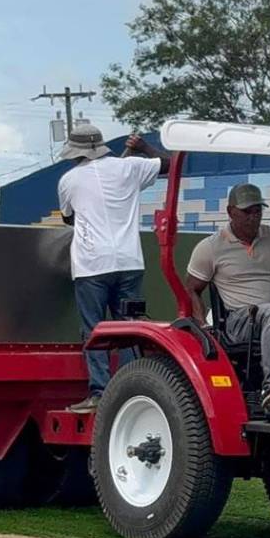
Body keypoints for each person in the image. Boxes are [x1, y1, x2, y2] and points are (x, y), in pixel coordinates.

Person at [58, 122, 169, 412]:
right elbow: (170, 164)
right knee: (131, 329)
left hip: (92, 265)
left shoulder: (69, 180)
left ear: (76, 152)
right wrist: (144, 148)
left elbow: (68, 219)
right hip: (129, 261)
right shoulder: (130, 167)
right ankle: (134, 389)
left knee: (94, 330)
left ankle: (100, 391)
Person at [184, 183, 270, 419]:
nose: (253, 217)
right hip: (241, 321)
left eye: (257, 211)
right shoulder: (211, 247)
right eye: (247, 212)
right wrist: (202, 326)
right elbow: (191, 289)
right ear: (231, 212)